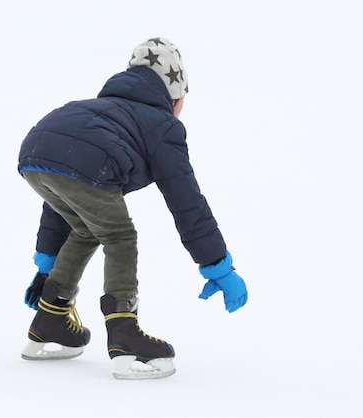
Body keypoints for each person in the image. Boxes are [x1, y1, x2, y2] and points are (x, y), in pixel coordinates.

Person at [17, 37, 248, 379]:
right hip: (73, 163)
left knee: (86, 227)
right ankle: (124, 334)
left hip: (34, 152)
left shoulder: (94, 111)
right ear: (174, 97)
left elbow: (64, 196)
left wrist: (46, 264)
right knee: (119, 236)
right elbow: (187, 203)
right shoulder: (162, 125)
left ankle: (50, 319)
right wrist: (217, 267)